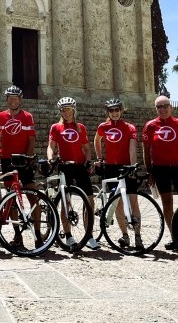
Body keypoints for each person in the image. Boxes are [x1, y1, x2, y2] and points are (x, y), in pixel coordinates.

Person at [142, 95, 178, 253]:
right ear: (155, 109)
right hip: (160, 169)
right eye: (159, 107)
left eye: (165, 106)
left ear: (171, 106)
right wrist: (149, 171)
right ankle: (175, 238)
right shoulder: (150, 126)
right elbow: (146, 151)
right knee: (167, 204)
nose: (162, 109)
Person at [46, 97, 100, 250]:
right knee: (65, 202)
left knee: (89, 201)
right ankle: (68, 235)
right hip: (65, 166)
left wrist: (89, 161)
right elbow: (51, 147)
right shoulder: (56, 127)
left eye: (69, 109)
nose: (66, 112)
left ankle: (89, 235)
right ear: (60, 112)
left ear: (73, 111)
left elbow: (87, 149)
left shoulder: (80, 127)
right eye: (63, 110)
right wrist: (51, 159)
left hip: (80, 166)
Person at [94, 98, 142, 250]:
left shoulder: (129, 127)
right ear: (108, 112)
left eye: (117, 110)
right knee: (118, 202)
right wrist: (99, 157)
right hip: (110, 167)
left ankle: (138, 236)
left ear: (121, 110)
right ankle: (125, 235)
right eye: (111, 110)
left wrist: (133, 166)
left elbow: (132, 149)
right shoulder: (103, 126)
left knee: (133, 201)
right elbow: (97, 140)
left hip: (126, 166)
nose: (114, 113)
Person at [0, 85, 38, 245]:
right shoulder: (1, 117)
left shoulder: (27, 117)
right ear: (7, 100)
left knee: (33, 196)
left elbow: (32, 139)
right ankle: (17, 235)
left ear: (20, 100)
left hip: (23, 159)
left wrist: (27, 157)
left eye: (16, 98)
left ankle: (38, 235)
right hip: (7, 160)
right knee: (11, 199)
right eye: (10, 99)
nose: (13, 101)